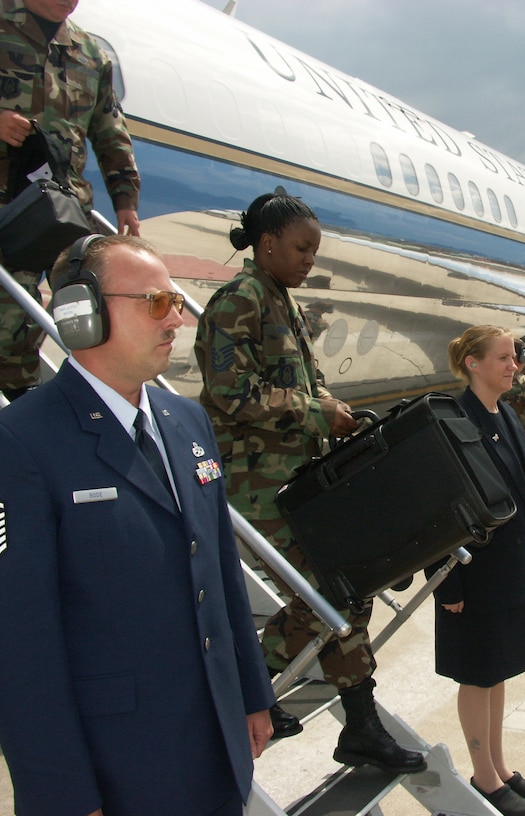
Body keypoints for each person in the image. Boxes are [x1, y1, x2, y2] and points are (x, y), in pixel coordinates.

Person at [0, 235, 275, 816]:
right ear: (83, 314)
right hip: (121, 769)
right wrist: (62, 794)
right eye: (156, 302)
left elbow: (220, 573)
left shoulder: (188, 420)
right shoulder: (15, 446)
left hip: (216, 746)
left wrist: (253, 697)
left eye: (176, 301)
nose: (177, 317)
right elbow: (14, 648)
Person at [194, 191, 426, 774]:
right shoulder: (237, 301)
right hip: (253, 484)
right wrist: (317, 412)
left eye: (314, 251)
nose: (310, 261)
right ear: (267, 243)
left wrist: (333, 408)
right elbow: (230, 392)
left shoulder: (283, 303)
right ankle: (252, 692)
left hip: (293, 477)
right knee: (328, 594)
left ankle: (350, 722)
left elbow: (307, 383)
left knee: (343, 587)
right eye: (302, 248)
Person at [0, 0, 141, 400]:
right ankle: (15, 399)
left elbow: (110, 130)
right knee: (16, 295)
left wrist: (125, 198)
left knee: (96, 290)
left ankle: (99, 398)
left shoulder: (91, 54)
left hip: (61, 199)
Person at [430, 325, 525, 816]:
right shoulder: (455, 421)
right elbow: (435, 505)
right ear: (473, 364)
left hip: (509, 570)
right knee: (477, 675)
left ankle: (498, 767)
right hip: (472, 576)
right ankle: (482, 778)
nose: (513, 365)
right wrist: (446, 580)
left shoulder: (509, 418)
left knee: (498, 672)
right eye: (502, 357)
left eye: (514, 357)